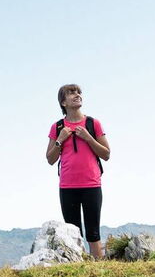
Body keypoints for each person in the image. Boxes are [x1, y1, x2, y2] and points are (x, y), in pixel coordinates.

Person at [45, 83, 110, 259]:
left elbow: (106, 154)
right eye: (71, 93)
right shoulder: (57, 127)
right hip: (67, 187)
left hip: (91, 185)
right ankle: (79, 272)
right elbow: (50, 159)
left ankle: (98, 273)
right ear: (63, 102)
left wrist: (88, 138)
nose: (77, 95)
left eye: (79, 92)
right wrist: (60, 139)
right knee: (73, 235)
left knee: (93, 233)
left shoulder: (92, 123)